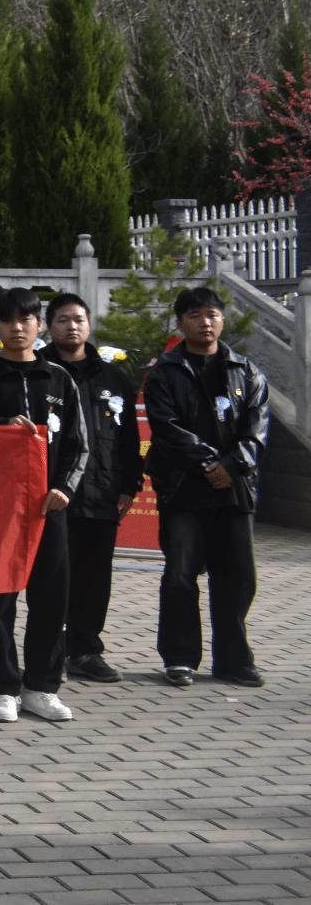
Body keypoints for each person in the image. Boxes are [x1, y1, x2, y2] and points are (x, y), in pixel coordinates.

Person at [0, 287, 90, 723]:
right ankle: (3, 689)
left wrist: (64, 488)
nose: (17, 328)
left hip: (50, 508)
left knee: (51, 600)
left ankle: (41, 687)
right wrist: (0, 427)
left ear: (39, 324)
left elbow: (78, 444)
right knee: (0, 602)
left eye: (25, 319)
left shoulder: (59, 379)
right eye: (7, 320)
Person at [143, 285, 268, 689]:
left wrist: (230, 465)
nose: (205, 322)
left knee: (238, 577)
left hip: (234, 489)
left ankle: (234, 661)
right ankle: (180, 658)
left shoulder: (246, 371)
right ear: (180, 324)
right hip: (183, 487)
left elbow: (257, 429)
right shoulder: (165, 371)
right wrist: (208, 464)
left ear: (223, 320)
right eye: (194, 316)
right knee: (181, 575)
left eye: (212, 314)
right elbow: (166, 427)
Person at [46, 292, 143, 685]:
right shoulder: (40, 372)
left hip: (102, 492)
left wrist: (130, 485)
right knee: (52, 577)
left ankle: (85, 650)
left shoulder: (113, 378)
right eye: (63, 319)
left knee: (94, 577)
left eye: (79, 319)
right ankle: (48, 651)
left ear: (89, 325)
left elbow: (129, 439)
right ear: (49, 327)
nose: (72, 326)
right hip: (52, 495)